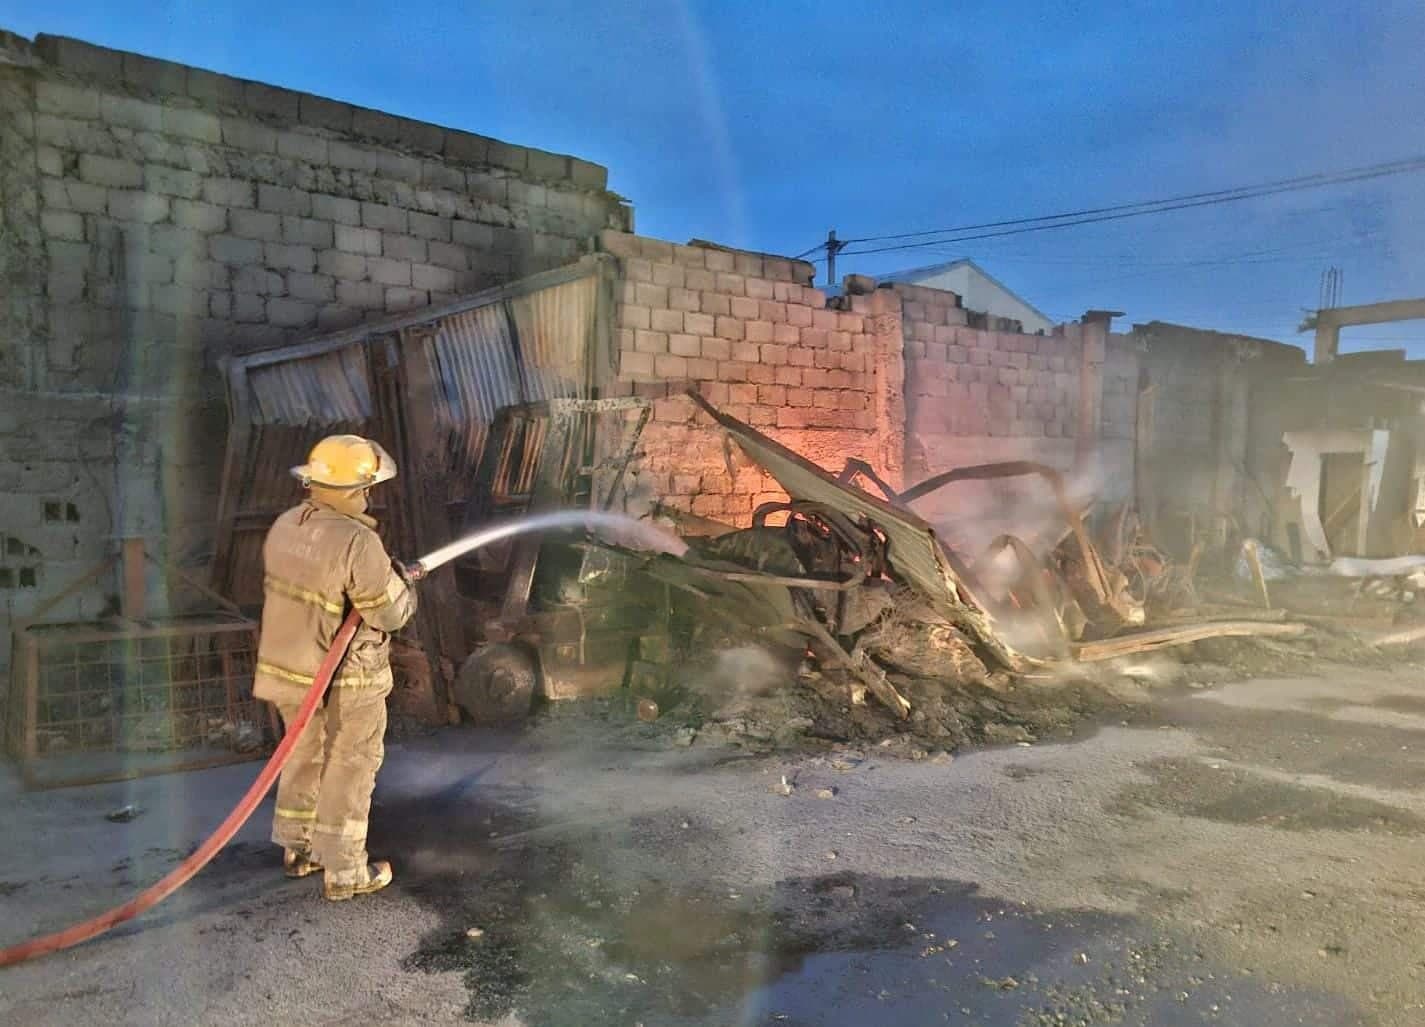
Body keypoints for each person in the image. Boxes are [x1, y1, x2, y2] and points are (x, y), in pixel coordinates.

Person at [252, 434, 418, 901]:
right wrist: (403, 584)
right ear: (353, 490)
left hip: (291, 667)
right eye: (366, 489)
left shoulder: (287, 524)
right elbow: (388, 613)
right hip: (346, 676)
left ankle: (298, 849)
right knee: (351, 761)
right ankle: (345, 871)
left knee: (304, 753)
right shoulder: (358, 540)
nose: (369, 496)